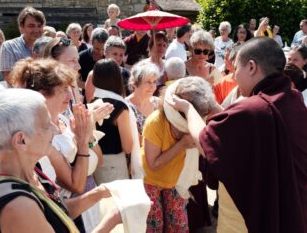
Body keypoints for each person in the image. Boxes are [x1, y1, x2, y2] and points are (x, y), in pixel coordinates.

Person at [169, 37, 307, 232]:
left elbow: (204, 140)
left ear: (251, 67)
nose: (234, 77)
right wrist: (216, 109)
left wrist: (188, 109)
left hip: (249, 219)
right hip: (293, 209)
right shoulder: (293, 99)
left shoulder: (253, 108)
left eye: (236, 69)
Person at [0, 88, 122, 232]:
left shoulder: (33, 169)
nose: (55, 130)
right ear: (21, 140)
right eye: (46, 125)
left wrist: (100, 192)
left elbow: (56, 210)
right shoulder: (19, 207)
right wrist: (112, 220)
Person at [142, 77, 216, 232]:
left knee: (179, 226)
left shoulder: (194, 121)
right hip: (151, 182)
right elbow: (153, 164)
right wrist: (182, 144)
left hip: (176, 181)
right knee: (155, 226)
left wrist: (210, 105)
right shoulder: (155, 122)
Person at [0, 6, 45, 85]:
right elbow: (11, 81)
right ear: (21, 26)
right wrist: (34, 63)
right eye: (31, 26)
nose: (36, 30)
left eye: (39, 26)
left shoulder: (49, 46)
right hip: (21, 96)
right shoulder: (9, 47)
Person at [85, 35, 130, 102]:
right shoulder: (94, 74)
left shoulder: (126, 74)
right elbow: (90, 100)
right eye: (115, 54)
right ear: (105, 53)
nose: (118, 58)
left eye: (121, 55)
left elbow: (126, 98)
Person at [43, 37, 82, 104]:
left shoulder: (72, 83)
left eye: (77, 60)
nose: (79, 67)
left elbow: (77, 111)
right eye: (72, 60)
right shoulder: (45, 92)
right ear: (53, 62)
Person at [126, 60, 160, 138]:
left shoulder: (158, 103)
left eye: (154, 82)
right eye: (148, 82)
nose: (153, 86)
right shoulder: (126, 107)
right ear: (135, 83)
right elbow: (137, 140)